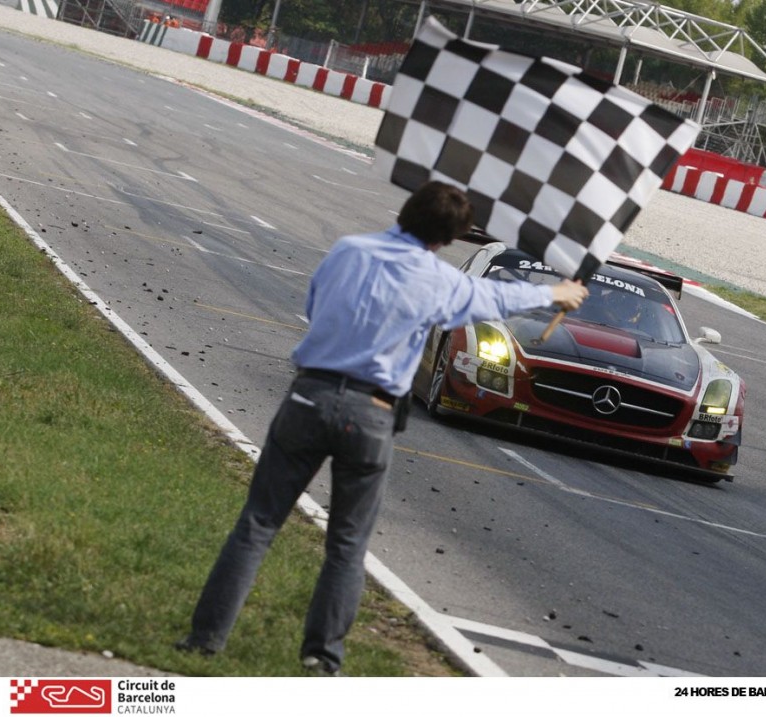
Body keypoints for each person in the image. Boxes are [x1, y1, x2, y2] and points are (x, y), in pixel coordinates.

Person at [175, 181, 588, 675]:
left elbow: (314, 307)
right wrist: (556, 293)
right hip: (371, 413)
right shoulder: (439, 280)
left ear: (405, 212)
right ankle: (322, 658)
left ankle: (205, 640)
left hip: (309, 396)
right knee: (347, 543)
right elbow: (496, 298)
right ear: (447, 239)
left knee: (258, 523)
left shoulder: (348, 249)